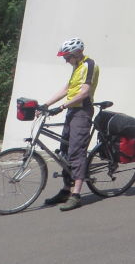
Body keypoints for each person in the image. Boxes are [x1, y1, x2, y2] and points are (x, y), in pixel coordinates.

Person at [40, 37, 99, 211]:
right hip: (72, 111)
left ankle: (76, 195)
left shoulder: (89, 65)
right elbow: (66, 89)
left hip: (82, 111)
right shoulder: (77, 66)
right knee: (64, 151)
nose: (66, 60)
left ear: (76, 53)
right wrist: (46, 104)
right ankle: (66, 190)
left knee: (76, 151)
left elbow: (85, 93)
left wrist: (62, 106)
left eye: (67, 57)